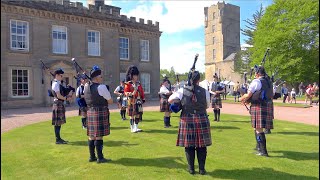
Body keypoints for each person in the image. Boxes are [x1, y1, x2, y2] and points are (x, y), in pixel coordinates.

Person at [168, 70, 211, 175]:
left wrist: (180, 102)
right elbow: (207, 105)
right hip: (201, 118)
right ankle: (202, 169)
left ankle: (191, 169)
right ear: (199, 80)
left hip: (187, 119)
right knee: (202, 146)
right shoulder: (205, 91)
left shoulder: (182, 90)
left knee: (189, 145)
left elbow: (170, 100)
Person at [239, 65, 274, 157]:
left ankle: (263, 151)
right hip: (267, 105)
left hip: (258, 106)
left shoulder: (257, 81)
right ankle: (258, 147)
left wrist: (241, 98)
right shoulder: (269, 82)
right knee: (256, 128)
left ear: (257, 73)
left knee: (258, 130)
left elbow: (248, 94)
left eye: (255, 72)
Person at [84, 65, 113, 163]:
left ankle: (92, 157)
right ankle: (100, 158)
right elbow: (110, 101)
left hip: (90, 111)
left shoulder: (86, 86)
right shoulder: (101, 87)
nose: (102, 78)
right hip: (99, 111)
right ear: (96, 77)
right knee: (99, 135)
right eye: (100, 76)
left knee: (91, 135)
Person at [51, 68, 73, 144]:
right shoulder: (56, 84)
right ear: (57, 75)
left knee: (59, 123)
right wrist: (66, 98)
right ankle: (58, 139)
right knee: (57, 123)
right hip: (58, 103)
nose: (62, 77)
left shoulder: (57, 83)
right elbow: (58, 95)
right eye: (61, 75)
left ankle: (59, 138)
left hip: (59, 103)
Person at [124, 65, 145, 133]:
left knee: (138, 114)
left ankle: (136, 127)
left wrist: (143, 97)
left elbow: (141, 91)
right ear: (132, 76)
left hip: (138, 100)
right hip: (131, 100)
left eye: (137, 75)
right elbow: (126, 93)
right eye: (135, 75)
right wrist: (132, 93)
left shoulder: (138, 83)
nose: (136, 77)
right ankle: (132, 128)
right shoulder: (128, 84)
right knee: (132, 115)